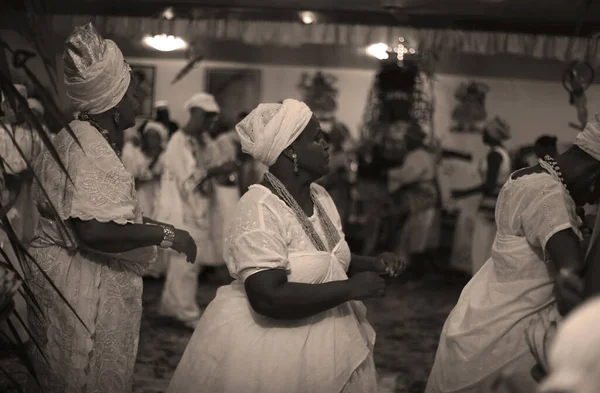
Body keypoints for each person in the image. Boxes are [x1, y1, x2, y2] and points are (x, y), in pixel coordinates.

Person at [167, 99, 406, 393]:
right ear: (290, 149)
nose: (326, 145)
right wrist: (350, 289)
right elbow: (267, 297)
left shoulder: (320, 195)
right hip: (276, 345)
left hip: (333, 331)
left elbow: (327, 257)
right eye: (317, 138)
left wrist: (374, 264)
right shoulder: (259, 207)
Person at [25, 23, 197, 393]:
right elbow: (94, 231)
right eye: (133, 95)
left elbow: (106, 214)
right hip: (79, 280)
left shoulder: (77, 136)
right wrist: (167, 234)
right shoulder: (90, 149)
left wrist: (157, 227)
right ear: (114, 103)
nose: (137, 103)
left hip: (62, 271)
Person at [426, 113, 600, 393]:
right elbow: (569, 266)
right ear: (595, 176)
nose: (593, 202)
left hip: (480, 309)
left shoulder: (524, 176)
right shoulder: (549, 195)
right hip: (511, 330)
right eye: (597, 194)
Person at [155, 92, 238, 328]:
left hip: (200, 208)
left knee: (184, 262)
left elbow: (214, 167)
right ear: (195, 113)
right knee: (186, 260)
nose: (210, 123)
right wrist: (216, 170)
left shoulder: (205, 141)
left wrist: (222, 171)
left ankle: (171, 306)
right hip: (180, 208)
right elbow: (187, 181)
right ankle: (186, 311)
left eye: (213, 118)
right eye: (207, 117)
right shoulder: (177, 142)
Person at [452, 116, 512, 275]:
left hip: (489, 206)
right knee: (489, 248)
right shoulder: (503, 153)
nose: (482, 135)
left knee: (480, 247)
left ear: (492, 134)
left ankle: (477, 283)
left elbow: (489, 185)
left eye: (485, 132)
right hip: (498, 204)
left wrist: (462, 193)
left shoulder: (494, 155)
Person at [387, 123, 439, 268]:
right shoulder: (420, 154)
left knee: (418, 233)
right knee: (412, 231)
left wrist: (389, 173)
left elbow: (407, 176)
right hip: (420, 196)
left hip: (422, 198)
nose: (405, 142)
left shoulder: (419, 155)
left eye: (408, 139)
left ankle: (416, 270)